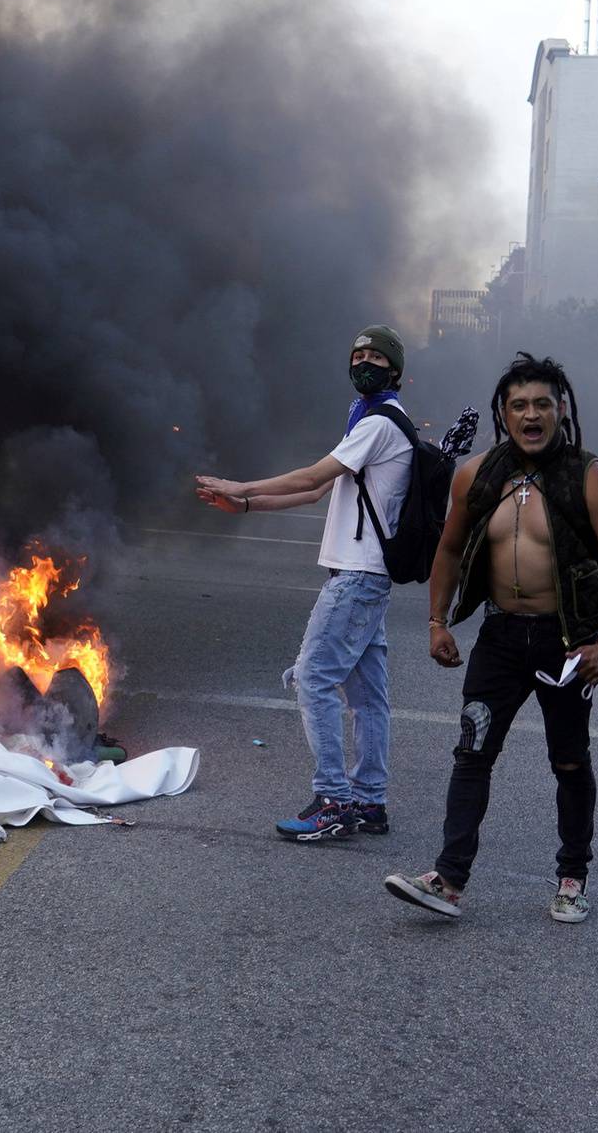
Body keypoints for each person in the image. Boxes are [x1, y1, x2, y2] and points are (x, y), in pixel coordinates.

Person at [384, 353, 598, 924]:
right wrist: (437, 620)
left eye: (542, 404)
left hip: (568, 645)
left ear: (561, 409)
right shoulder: (478, 476)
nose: (532, 415)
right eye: (520, 405)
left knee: (570, 762)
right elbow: (448, 549)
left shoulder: (588, 478)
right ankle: (448, 880)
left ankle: (572, 878)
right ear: (505, 413)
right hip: (500, 638)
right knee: (472, 752)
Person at [195, 325, 415, 844]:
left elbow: (312, 476)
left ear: (395, 372)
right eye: (358, 353)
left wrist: (240, 484)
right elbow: (318, 494)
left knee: (313, 678)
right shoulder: (372, 422)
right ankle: (369, 801)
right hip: (368, 578)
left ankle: (334, 800)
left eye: (376, 356)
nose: (364, 361)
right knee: (367, 697)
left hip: (357, 578)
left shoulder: (380, 423)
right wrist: (246, 506)